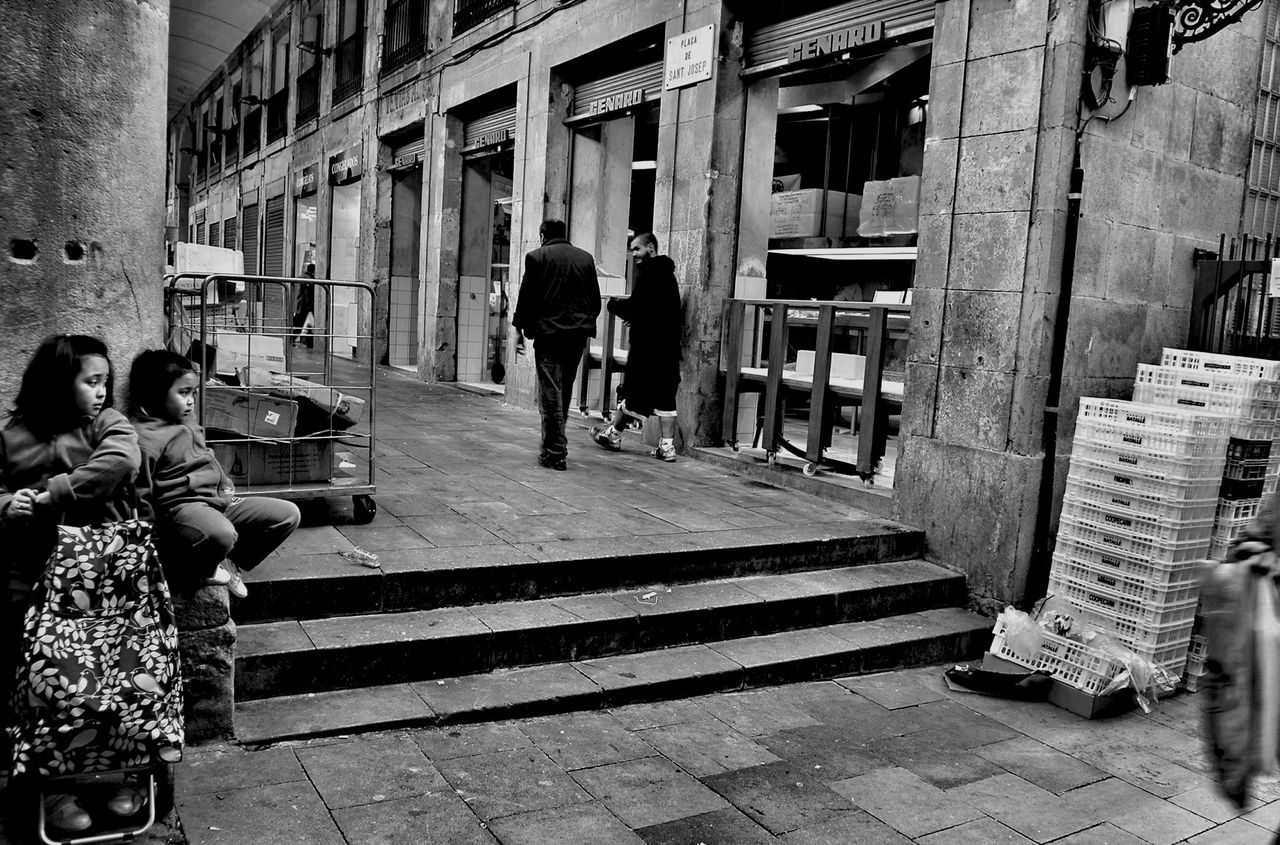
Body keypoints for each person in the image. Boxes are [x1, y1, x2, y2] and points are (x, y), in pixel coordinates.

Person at [0, 334, 145, 835]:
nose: (102, 391)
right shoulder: (14, 433)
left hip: (104, 578)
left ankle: (120, 774)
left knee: (117, 681)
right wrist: (6, 504)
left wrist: (47, 495)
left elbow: (121, 464)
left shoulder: (108, 424)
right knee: (49, 686)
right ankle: (55, 789)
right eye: (92, 382)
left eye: (105, 381)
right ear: (59, 384)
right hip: (34, 578)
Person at [127, 349, 300, 599]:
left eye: (193, 393)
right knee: (221, 534)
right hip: (183, 511)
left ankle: (230, 559)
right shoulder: (144, 439)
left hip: (217, 502)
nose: (191, 401)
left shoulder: (186, 418)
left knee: (288, 515)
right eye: (183, 393)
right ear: (155, 392)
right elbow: (139, 498)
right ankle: (201, 568)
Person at [512, 219, 601, 471]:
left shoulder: (537, 257)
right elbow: (595, 301)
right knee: (563, 390)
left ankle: (555, 451)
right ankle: (552, 447)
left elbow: (526, 298)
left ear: (542, 235)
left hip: (549, 335)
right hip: (577, 337)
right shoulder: (585, 258)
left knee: (550, 394)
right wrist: (584, 323)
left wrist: (519, 330)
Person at [591, 233, 683, 462]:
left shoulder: (647, 273)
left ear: (650, 248)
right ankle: (667, 447)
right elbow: (659, 311)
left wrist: (614, 305)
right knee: (666, 397)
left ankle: (612, 434)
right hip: (668, 348)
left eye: (637, 249)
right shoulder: (669, 276)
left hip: (646, 348)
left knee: (633, 390)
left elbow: (637, 307)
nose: (634, 254)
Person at [292, 263, 316, 349]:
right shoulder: (309, 280)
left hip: (298, 305)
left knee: (300, 325)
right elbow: (307, 294)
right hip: (304, 306)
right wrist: (310, 307)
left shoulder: (301, 277)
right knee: (306, 325)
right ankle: (292, 340)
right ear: (313, 271)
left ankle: (291, 340)